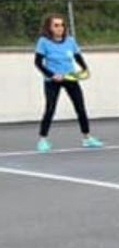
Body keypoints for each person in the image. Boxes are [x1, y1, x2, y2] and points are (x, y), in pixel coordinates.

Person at [33, 15, 103, 153]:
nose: (60, 28)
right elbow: (38, 63)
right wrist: (52, 75)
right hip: (52, 81)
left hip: (71, 78)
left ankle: (87, 138)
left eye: (62, 25)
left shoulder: (70, 41)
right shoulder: (43, 42)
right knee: (50, 109)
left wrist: (84, 69)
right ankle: (42, 140)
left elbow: (77, 56)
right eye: (56, 25)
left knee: (80, 108)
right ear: (49, 27)